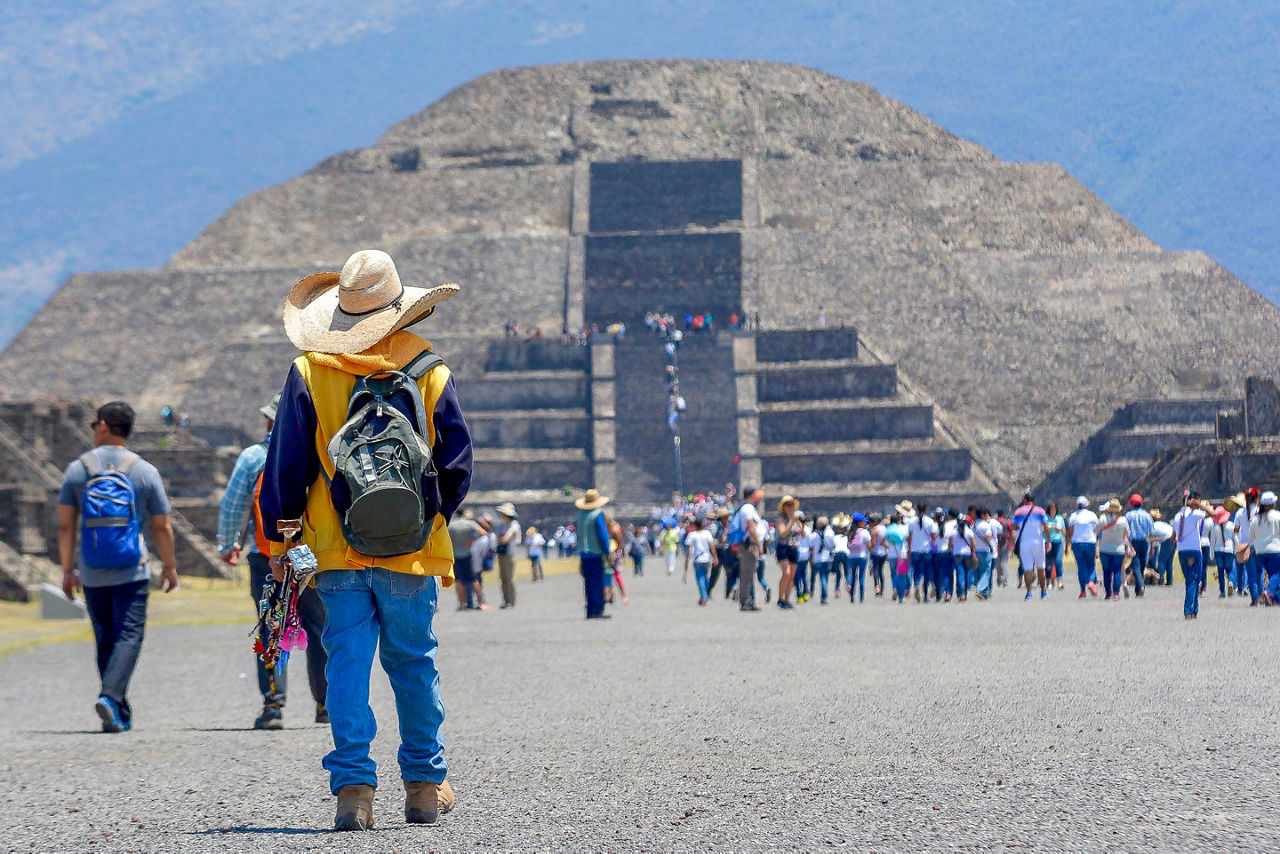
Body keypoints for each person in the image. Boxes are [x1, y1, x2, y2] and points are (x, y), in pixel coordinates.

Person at [259, 250, 471, 830]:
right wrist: (424, 520)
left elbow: (285, 469)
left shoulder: (310, 371)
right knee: (414, 664)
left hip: (334, 550)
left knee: (347, 664)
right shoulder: (431, 371)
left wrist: (282, 546)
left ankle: (353, 791)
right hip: (411, 551)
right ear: (402, 310)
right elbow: (456, 467)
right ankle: (426, 785)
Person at [59, 401, 179, 733]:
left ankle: (117, 709)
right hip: (132, 569)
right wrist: (169, 566)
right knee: (129, 636)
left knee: (106, 639)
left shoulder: (77, 470)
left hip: (93, 570)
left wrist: (68, 569)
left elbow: (66, 527)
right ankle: (111, 699)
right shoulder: (144, 471)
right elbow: (161, 526)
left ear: (104, 425)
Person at [218, 392, 327, 729]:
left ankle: (273, 706)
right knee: (320, 629)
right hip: (312, 557)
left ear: (270, 420)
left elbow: (234, 503)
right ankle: (326, 705)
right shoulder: (319, 450)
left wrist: (228, 543)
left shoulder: (254, 457)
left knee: (271, 629)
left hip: (266, 557)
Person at [576, 489, 613, 619]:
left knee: (588, 583)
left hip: (584, 554)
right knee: (597, 582)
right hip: (596, 553)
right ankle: (598, 610)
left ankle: (590, 610)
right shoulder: (597, 514)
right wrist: (607, 552)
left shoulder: (580, 516)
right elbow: (603, 535)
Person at [1172, 492, 1208, 619]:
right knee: (1194, 580)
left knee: (1191, 580)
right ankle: (1188, 609)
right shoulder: (1195, 514)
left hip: (1182, 550)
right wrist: (1203, 506)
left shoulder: (1177, 516)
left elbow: (1173, 537)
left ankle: (1194, 609)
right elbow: (1214, 514)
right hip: (1194, 550)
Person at [732, 487, 766, 612]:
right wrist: (759, 545)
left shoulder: (747, 508)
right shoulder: (747, 509)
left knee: (749, 574)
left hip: (749, 545)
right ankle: (745, 601)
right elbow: (751, 529)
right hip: (749, 545)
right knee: (747, 574)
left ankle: (748, 600)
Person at [1011, 494, 1050, 600]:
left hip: (1025, 543)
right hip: (1038, 542)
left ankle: (1029, 593)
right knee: (1041, 567)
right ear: (1034, 500)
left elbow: (1012, 527)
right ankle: (1043, 592)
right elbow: (1046, 527)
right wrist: (1049, 542)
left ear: (1024, 500)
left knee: (1027, 569)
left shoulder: (1018, 512)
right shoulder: (1040, 511)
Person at [448, 509, 485, 610]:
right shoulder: (470, 523)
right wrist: (472, 541)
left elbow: (447, 538)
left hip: (456, 554)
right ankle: (481, 602)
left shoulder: (452, 525)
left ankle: (462, 604)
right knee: (473, 579)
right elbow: (482, 532)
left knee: (459, 581)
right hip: (467, 553)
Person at [1095, 498, 1131, 601]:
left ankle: (1108, 593)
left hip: (1104, 549)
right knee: (1117, 571)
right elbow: (1128, 533)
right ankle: (1116, 593)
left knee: (1106, 572)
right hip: (1118, 549)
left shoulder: (1102, 518)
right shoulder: (1123, 520)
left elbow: (1096, 530)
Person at [1067, 496, 1099, 598]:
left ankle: (1082, 591)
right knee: (1091, 565)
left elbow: (1070, 532)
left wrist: (1066, 545)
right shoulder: (1092, 515)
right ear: (1087, 504)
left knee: (1081, 566)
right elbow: (1097, 529)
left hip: (1077, 543)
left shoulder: (1073, 516)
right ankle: (1091, 582)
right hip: (1090, 541)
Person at [1252, 491, 1280, 606]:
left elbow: (1251, 535)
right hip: (1275, 549)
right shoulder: (1278, 515)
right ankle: (1268, 592)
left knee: (1272, 574)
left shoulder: (1256, 518)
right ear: (1273, 503)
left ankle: (1275, 598)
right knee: (1277, 573)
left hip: (1260, 551)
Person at [774, 496, 802, 609]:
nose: (790, 507)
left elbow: (802, 534)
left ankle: (787, 599)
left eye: (791, 504)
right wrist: (791, 522)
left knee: (792, 576)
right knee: (787, 573)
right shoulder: (781, 519)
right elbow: (783, 533)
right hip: (783, 547)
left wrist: (800, 524)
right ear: (784, 507)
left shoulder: (796, 519)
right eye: (787, 505)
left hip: (793, 548)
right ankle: (780, 598)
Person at [906, 501, 937, 602]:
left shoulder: (911, 521)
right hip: (927, 550)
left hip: (915, 550)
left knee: (916, 570)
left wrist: (909, 550)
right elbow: (933, 537)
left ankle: (916, 585)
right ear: (926, 509)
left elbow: (909, 538)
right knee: (927, 571)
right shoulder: (929, 521)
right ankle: (926, 594)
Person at [1123, 494, 1152, 597]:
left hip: (1133, 542)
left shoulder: (1128, 515)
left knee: (1135, 565)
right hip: (1144, 542)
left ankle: (1140, 586)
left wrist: (1126, 545)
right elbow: (1151, 532)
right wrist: (1152, 547)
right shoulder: (1147, 515)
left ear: (1131, 504)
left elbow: (1125, 531)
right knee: (1142, 565)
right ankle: (1139, 588)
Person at [684, 517, 718, 606]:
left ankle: (703, 597)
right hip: (707, 558)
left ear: (695, 525)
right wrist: (715, 557)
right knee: (705, 577)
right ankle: (706, 593)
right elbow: (712, 546)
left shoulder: (692, 535)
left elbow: (688, 550)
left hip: (697, 559)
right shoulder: (707, 533)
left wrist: (687, 561)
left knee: (700, 578)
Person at [495, 503, 520, 609]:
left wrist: (501, 540)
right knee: (503, 578)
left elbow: (506, 539)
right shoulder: (502, 525)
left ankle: (511, 600)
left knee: (509, 578)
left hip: (509, 554)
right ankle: (505, 600)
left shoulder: (514, 525)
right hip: (501, 553)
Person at [1209, 506, 1235, 598]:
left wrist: (1211, 553)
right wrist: (1236, 550)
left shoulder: (1214, 527)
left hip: (1218, 550)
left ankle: (1222, 591)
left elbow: (1212, 541)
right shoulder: (1231, 525)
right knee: (1230, 569)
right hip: (1229, 549)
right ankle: (1231, 582)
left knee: (1220, 571)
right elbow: (1235, 539)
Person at [970, 507, 996, 600]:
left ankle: (984, 593)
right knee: (986, 572)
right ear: (982, 515)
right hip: (985, 551)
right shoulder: (986, 525)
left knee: (979, 571)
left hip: (976, 550)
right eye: (986, 515)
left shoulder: (973, 525)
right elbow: (988, 539)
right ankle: (980, 589)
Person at [847, 513, 871, 603]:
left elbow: (848, 545)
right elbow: (869, 547)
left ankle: (852, 596)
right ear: (860, 523)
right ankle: (861, 597)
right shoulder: (865, 532)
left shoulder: (850, 532)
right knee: (861, 577)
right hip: (862, 557)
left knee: (853, 577)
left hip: (852, 557)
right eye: (864, 522)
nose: (865, 523)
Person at [1044, 501, 1066, 591]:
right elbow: (1041, 530)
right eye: (1051, 508)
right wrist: (1048, 528)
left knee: (1058, 562)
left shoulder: (1060, 518)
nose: (1053, 510)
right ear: (1049, 509)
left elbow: (1064, 532)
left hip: (1058, 542)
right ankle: (1048, 582)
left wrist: (1058, 529)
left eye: (1055, 508)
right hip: (1048, 542)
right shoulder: (1045, 518)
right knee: (1048, 563)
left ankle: (1060, 582)